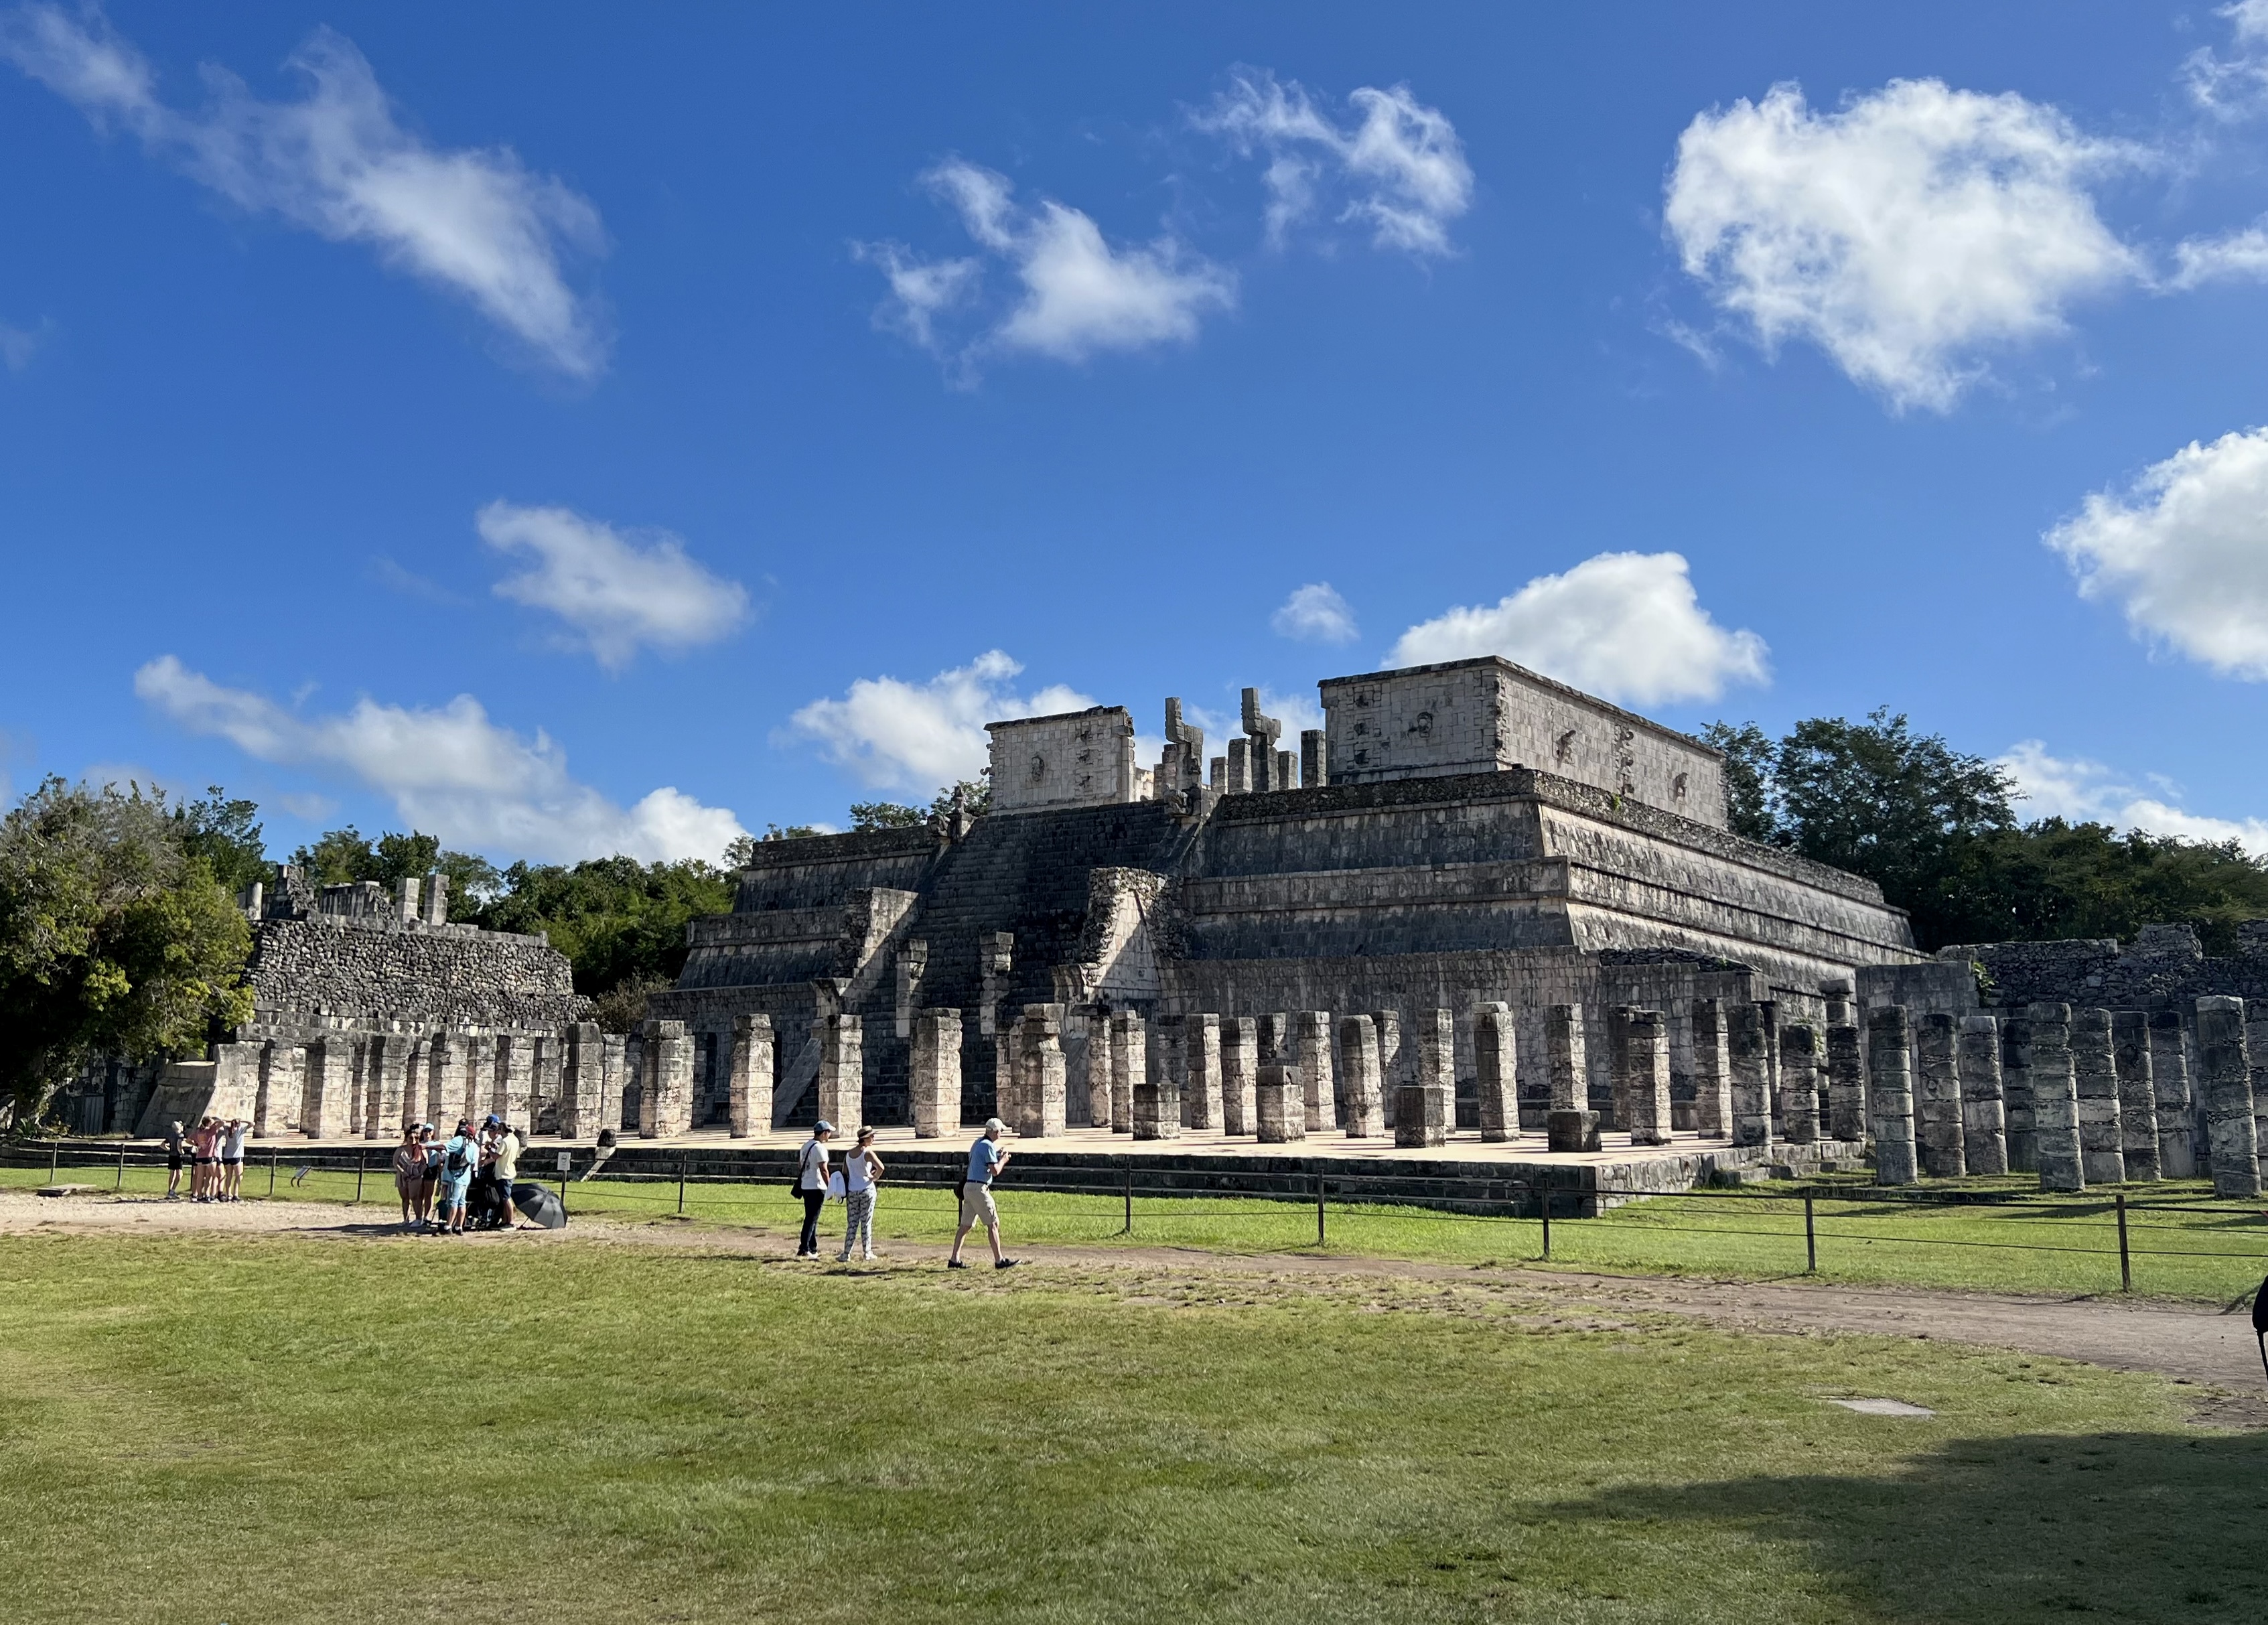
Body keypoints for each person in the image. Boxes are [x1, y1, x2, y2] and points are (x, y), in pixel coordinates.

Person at [948, 1117, 1017, 1271]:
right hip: (980, 1189)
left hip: (969, 1187)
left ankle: (954, 1259)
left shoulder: (978, 1143)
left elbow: (981, 1161)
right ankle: (1000, 1261)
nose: (1001, 1134)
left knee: (965, 1226)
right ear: (993, 1132)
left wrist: (996, 1155)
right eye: (1000, 1131)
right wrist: (1004, 1160)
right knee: (993, 1223)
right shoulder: (988, 1146)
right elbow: (995, 1171)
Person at [837, 1127, 885, 1263]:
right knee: (866, 1222)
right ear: (865, 1139)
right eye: (871, 1137)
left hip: (852, 1190)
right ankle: (867, 1252)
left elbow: (844, 1172)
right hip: (866, 1189)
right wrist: (873, 1178)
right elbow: (881, 1167)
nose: (873, 1139)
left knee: (852, 1222)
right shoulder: (867, 1153)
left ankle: (846, 1253)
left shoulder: (849, 1154)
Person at [794, 1121, 835, 1259]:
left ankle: (812, 1247)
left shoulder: (805, 1146)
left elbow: (800, 1165)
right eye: (829, 1132)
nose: (830, 1135)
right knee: (811, 1219)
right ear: (824, 1133)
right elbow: (824, 1169)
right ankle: (804, 1247)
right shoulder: (820, 1148)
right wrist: (830, 1187)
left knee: (812, 1218)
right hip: (817, 1186)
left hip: (806, 1185)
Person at [435, 1119, 480, 1235]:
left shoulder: (459, 1141)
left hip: (456, 1176)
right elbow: (474, 1163)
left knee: (453, 1202)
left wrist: (427, 1147)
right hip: (466, 1177)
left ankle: (448, 1226)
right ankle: (459, 1227)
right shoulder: (475, 1146)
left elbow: (445, 1148)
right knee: (462, 1202)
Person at [391, 1127, 425, 1228]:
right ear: (407, 1138)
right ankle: (406, 1219)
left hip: (415, 1176)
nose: (413, 1140)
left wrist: (419, 1173)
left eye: (415, 1138)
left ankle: (419, 1218)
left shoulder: (419, 1149)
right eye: (411, 1138)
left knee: (415, 1198)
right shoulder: (401, 1150)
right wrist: (402, 1172)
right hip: (403, 1176)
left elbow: (425, 1163)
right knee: (405, 1198)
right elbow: (395, 1162)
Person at [492, 1120, 524, 1228]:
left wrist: (489, 1150)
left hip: (504, 1173)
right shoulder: (515, 1140)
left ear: (502, 1129)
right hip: (510, 1170)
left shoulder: (505, 1141)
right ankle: (505, 1220)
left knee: (506, 1198)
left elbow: (496, 1156)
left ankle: (511, 1222)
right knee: (504, 1198)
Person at [414, 1125, 441, 1228]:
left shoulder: (436, 1144)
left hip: (431, 1169)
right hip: (420, 1169)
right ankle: (418, 1217)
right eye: (425, 1130)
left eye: (429, 1131)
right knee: (419, 1195)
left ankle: (427, 1217)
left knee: (429, 1195)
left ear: (433, 1132)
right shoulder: (419, 1144)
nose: (427, 1133)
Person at [220, 1117, 249, 1201]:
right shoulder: (240, 1130)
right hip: (237, 1156)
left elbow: (222, 1121)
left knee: (229, 1176)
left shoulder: (227, 1130)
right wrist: (243, 1120)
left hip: (227, 1156)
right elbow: (252, 1124)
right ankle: (235, 1194)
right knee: (239, 1176)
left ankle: (229, 1194)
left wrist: (229, 1120)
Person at [163, 1120, 186, 1200]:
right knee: (179, 1174)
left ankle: (170, 1190)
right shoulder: (180, 1135)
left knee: (172, 1174)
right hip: (177, 1156)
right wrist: (181, 1152)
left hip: (171, 1155)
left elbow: (162, 1144)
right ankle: (173, 1191)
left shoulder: (170, 1135)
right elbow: (179, 1145)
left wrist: (169, 1149)